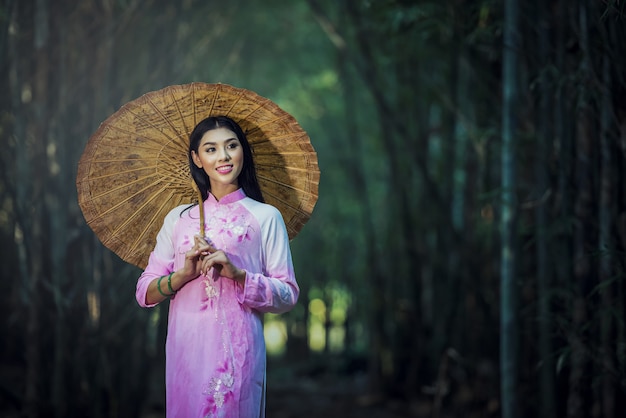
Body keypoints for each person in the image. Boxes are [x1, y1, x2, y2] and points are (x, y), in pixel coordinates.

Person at [135, 115, 299, 417]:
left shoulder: (266, 217)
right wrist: (182, 275)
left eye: (231, 146)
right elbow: (145, 291)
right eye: (210, 149)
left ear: (242, 152)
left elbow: (287, 294)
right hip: (185, 351)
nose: (223, 156)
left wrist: (238, 275)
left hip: (238, 353)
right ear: (197, 159)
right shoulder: (179, 219)